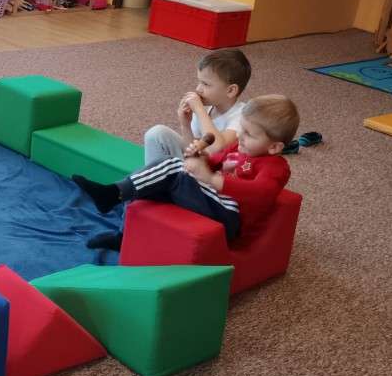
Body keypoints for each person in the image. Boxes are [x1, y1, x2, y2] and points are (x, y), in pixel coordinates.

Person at [75, 94, 299, 251]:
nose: (239, 135)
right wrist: (199, 159)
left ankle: (113, 194)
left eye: (249, 134)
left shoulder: (276, 167)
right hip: (213, 200)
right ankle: (124, 236)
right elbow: (212, 163)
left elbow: (260, 193)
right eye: (241, 128)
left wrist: (212, 179)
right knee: (152, 182)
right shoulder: (237, 146)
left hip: (230, 216)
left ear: (274, 147)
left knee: (172, 166)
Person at [143, 47, 252, 164]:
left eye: (206, 84)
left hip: (217, 171)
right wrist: (185, 125)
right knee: (156, 133)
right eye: (199, 82)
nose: (198, 89)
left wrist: (199, 110)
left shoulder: (242, 116)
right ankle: (154, 174)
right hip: (197, 165)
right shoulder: (205, 107)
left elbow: (217, 149)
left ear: (230, 91)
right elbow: (191, 152)